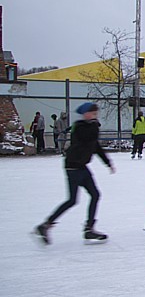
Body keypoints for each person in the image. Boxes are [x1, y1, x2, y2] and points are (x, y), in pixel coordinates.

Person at [34, 103, 115, 245]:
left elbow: (95, 146)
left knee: (95, 195)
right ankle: (45, 225)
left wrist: (108, 163)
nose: (95, 116)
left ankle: (89, 228)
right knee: (72, 200)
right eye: (93, 113)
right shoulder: (80, 127)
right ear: (86, 114)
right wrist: (95, 126)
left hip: (82, 167)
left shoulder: (91, 127)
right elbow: (87, 138)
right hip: (73, 167)